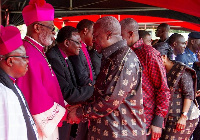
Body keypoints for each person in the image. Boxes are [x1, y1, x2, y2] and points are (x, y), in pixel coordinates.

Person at [67, 16, 146, 140]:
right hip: (110, 131)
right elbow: (101, 92)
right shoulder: (113, 56)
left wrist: (79, 113)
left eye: (96, 36)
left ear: (109, 35)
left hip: (119, 133)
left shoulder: (122, 60)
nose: (93, 40)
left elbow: (110, 100)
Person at [16, 0, 67, 139]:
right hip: (38, 125)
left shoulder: (37, 49)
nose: (54, 32)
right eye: (51, 27)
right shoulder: (28, 53)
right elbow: (35, 95)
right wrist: (63, 112)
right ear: (37, 27)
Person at [120, 18, 170, 140]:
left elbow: (163, 88)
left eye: (120, 35)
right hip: (125, 119)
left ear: (130, 34)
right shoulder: (123, 53)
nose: (118, 39)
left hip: (145, 120)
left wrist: (158, 121)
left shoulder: (149, 54)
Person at [46, 26, 94, 140]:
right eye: (78, 43)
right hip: (59, 113)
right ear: (67, 43)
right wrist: (92, 90)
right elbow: (66, 93)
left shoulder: (66, 56)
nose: (80, 46)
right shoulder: (54, 58)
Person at [155, 42, 199, 140]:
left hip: (184, 117)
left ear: (163, 57)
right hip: (169, 117)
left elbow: (189, 95)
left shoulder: (182, 71)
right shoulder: (162, 71)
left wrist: (183, 116)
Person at [0, 25, 38, 139]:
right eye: (24, 57)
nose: (27, 61)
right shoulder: (4, 93)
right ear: (10, 61)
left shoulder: (11, 84)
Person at [69, 19, 96, 86]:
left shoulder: (84, 47)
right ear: (85, 31)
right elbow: (81, 74)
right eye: (93, 34)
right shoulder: (75, 48)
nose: (95, 37)